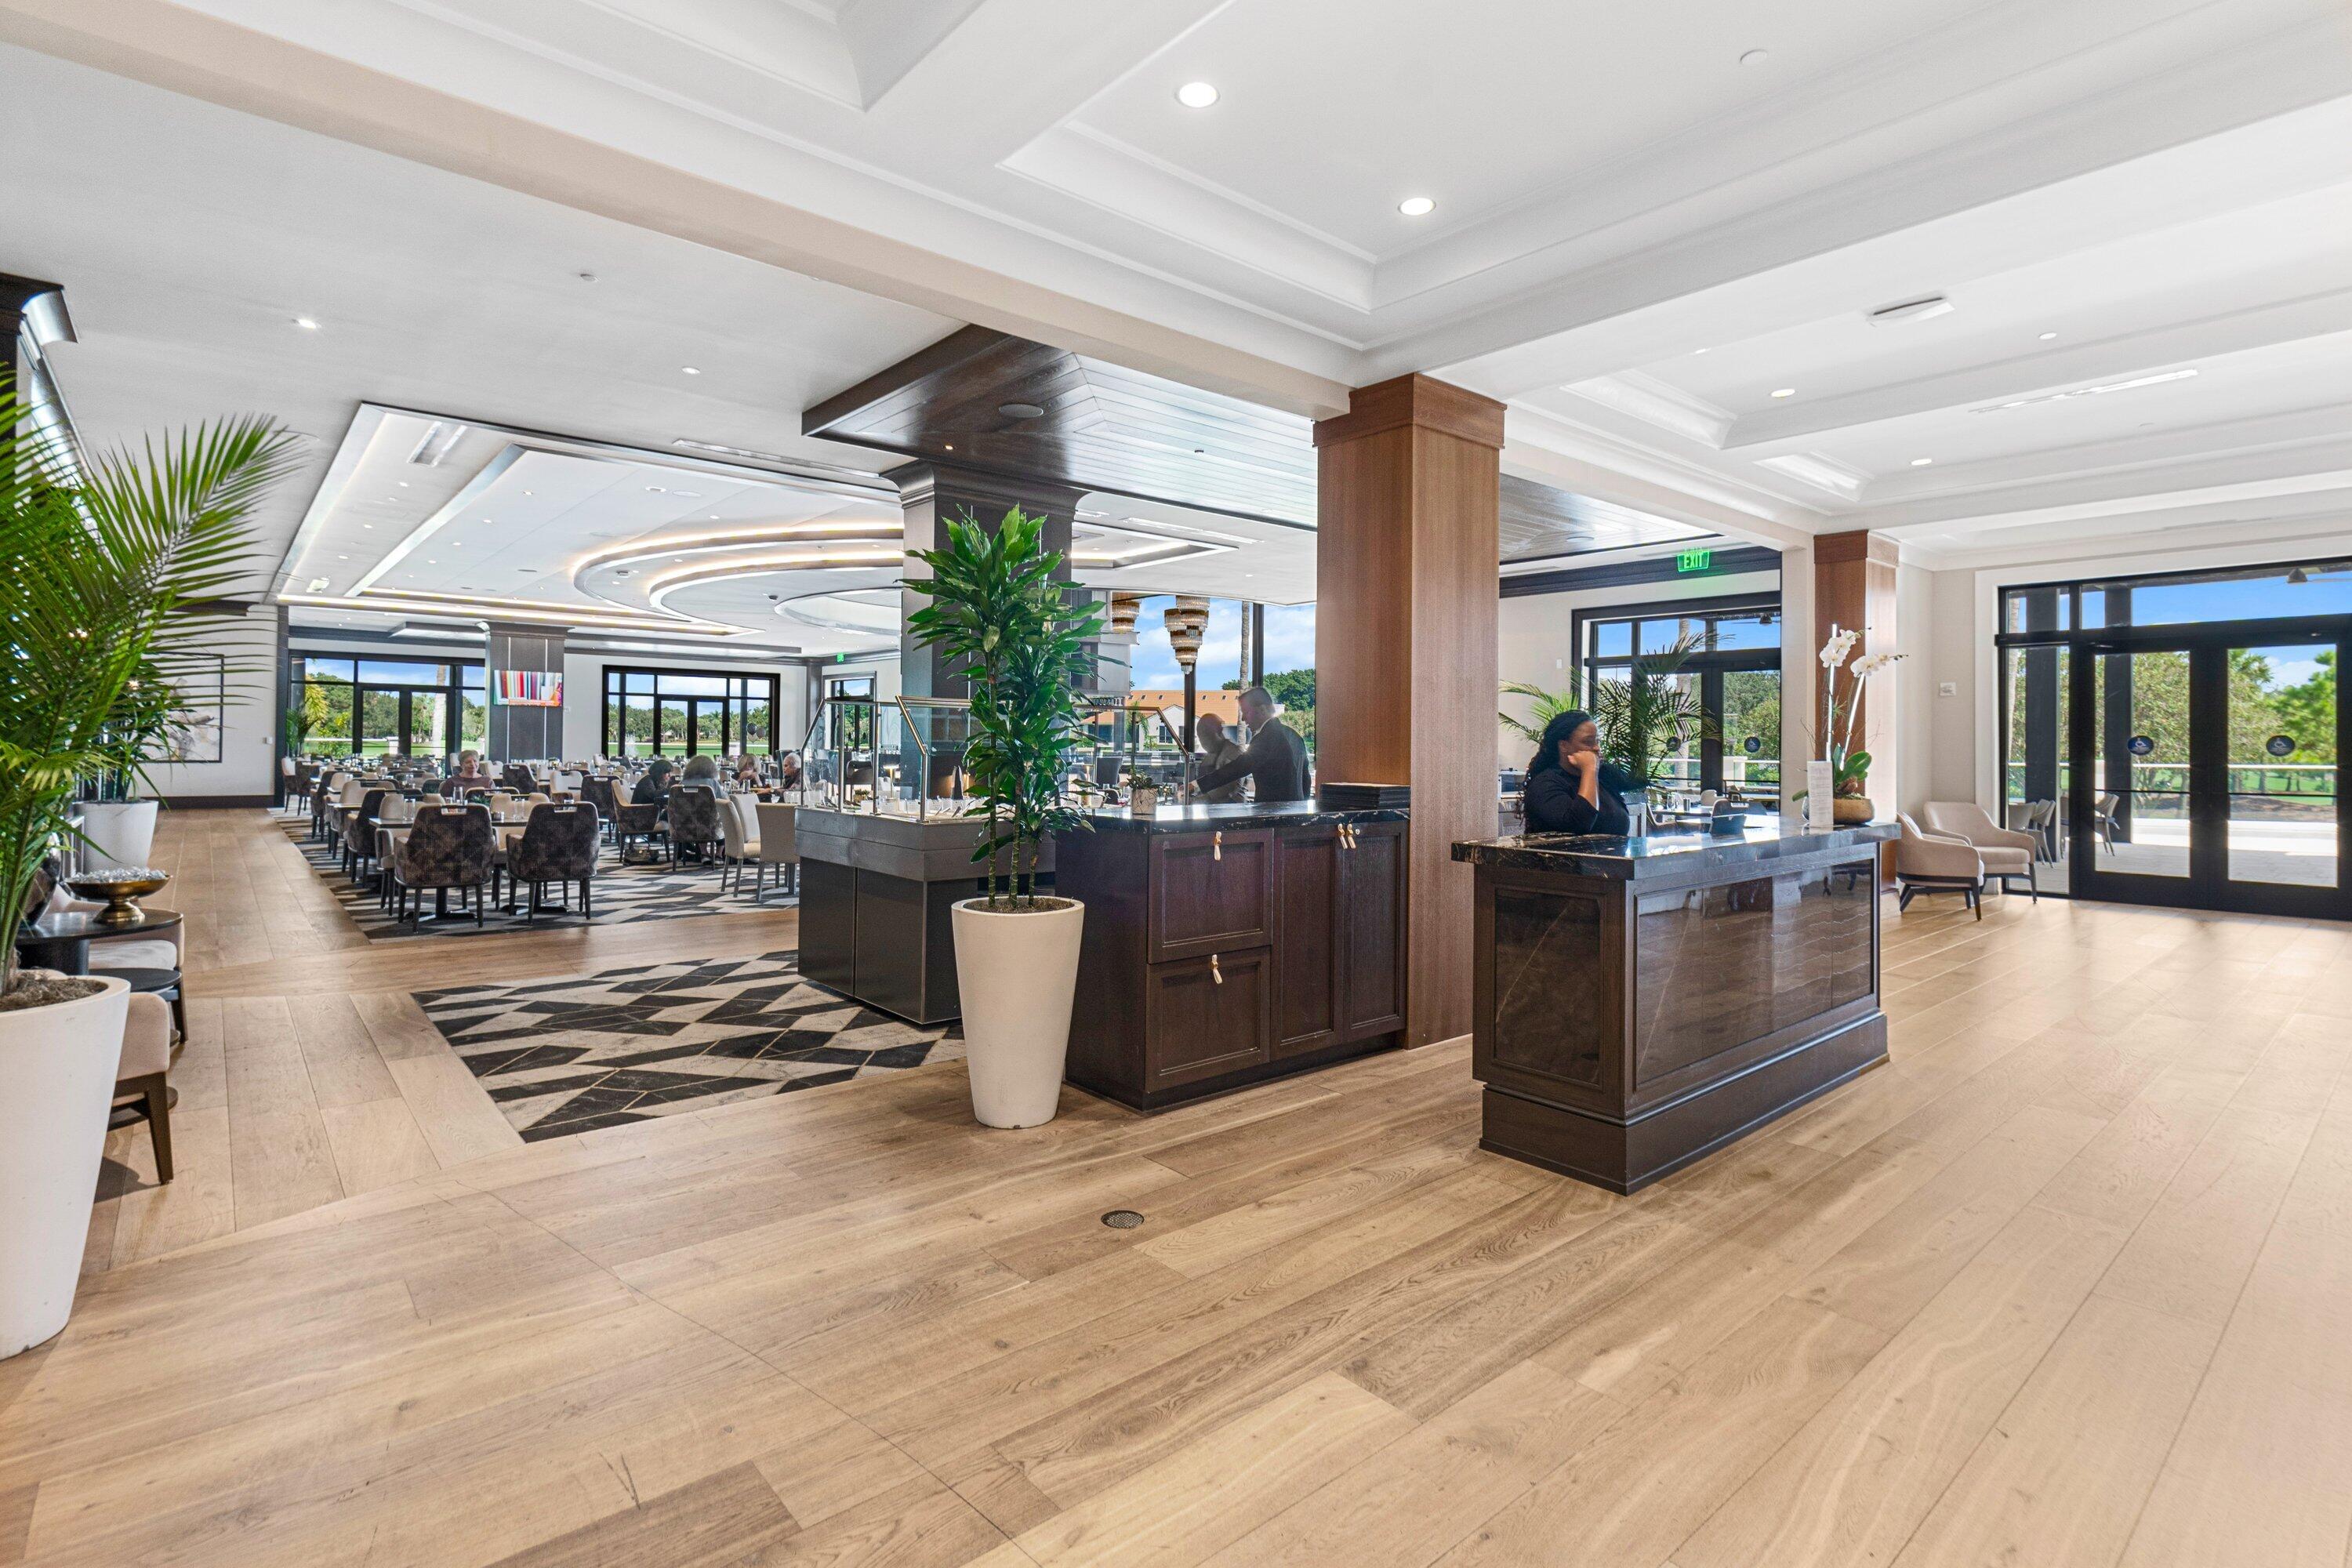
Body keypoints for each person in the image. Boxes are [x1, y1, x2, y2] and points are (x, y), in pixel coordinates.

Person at [1522, 710, 1633, 836]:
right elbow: (1579, 825)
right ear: (1564, 746)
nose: (1597, 747)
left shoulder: (1602, 779)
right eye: (1588, 742)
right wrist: (1589, 770)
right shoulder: (1545, 784)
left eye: (1597, 741)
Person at [1193, 686, 1308, 804]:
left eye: (1245, 712)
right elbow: (1306, 780)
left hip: (1272, 813)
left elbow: (1238, 768)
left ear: (1262, 710)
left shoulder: (1265, 738)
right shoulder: (1295, 736)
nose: (1243, 718)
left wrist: (1196, 785)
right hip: (1296, 812)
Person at [1192, 713, 1248, 804]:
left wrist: (1199, 799)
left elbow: (1229, 787)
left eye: (1205, 736)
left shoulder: (1234, 753)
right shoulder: (1209, 757)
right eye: (1200, 737)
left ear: (1217, 734)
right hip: (1213, 811)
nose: (1203, 742)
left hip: (1233, 811)